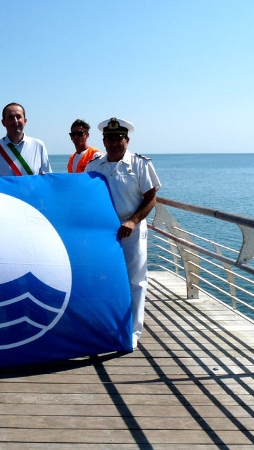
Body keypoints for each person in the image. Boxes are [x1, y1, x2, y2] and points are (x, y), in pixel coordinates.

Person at [85, 117, 161, 350]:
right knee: (103, 278)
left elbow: (151, 198)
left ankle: (132, 332)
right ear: (104, 141)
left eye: (119, 139)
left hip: (132, 230)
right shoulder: (94, 166)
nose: (114, 143)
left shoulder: (140, 164)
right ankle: (107, 326)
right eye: (109, 139)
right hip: (103, 231)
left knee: (135, 282)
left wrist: (134, 221)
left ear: (127, 140)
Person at [0, 102, 51, 176]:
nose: (15, 121)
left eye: (18, 117)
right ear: (3, 122)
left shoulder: (38, 146)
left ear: (25, 121)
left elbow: (48, 179)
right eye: (11, 117)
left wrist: (45, 178)